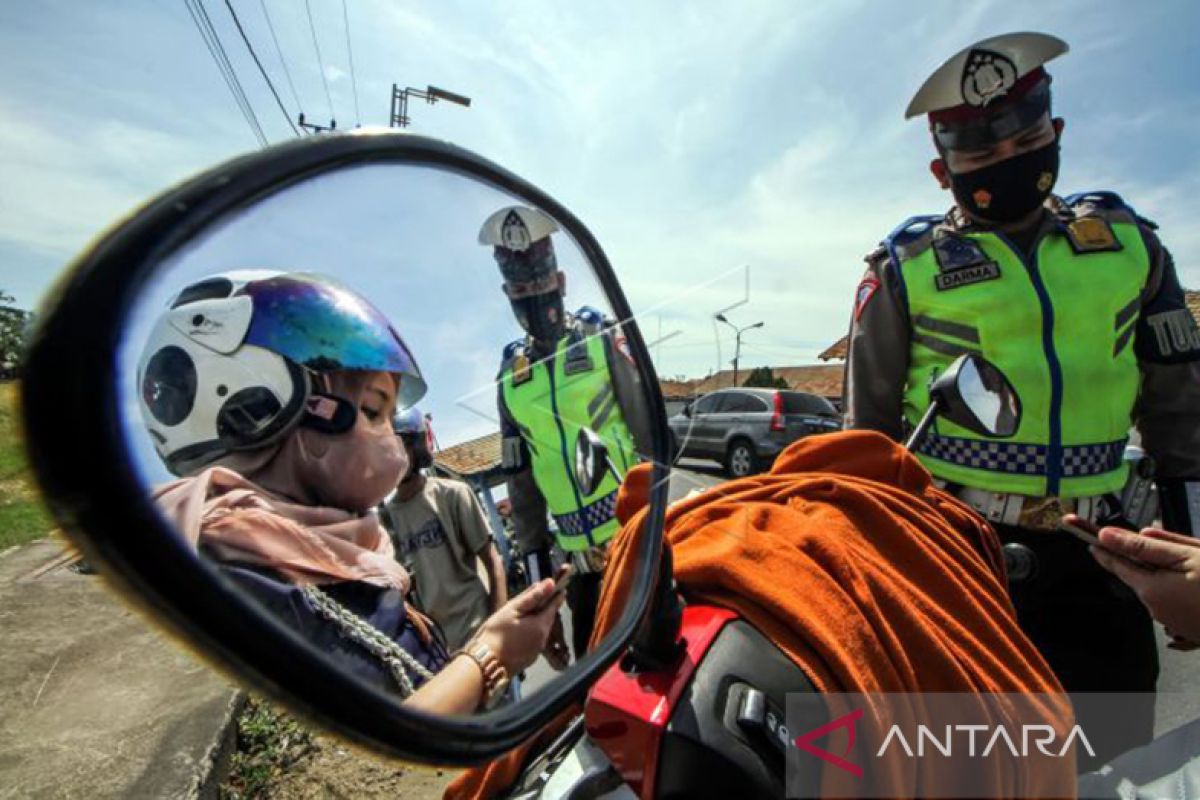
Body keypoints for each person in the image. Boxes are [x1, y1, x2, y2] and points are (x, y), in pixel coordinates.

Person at [842, 32, 1200, 760]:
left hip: (1100, 559)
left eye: (1028, 140)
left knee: (1113, 762)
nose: (1008, 163)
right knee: (968, 769)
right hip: (958, 562)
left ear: (1056, 134)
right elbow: (865, 441)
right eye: (979, 157)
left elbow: (1180, 420)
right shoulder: (907, 267)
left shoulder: (1133, 247)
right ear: (943, 171)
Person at [138, 270, 563, 714]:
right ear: (261, 403)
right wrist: (493, 653)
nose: (395, 447)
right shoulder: (251, 587)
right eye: (374, 410)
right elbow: (394, 742)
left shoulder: (334, 552)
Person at [480, 205, 654, 662]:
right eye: (520, 291)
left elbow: (650, 433)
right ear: (507, 294)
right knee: (595, 690)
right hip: (579, 571)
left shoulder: (601, 335)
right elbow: (521, 488)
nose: (534, 300)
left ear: (560, 283)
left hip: (637, 541)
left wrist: (662, 524)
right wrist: (542, 594)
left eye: (540, 286)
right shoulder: (509, 378)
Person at [382, 406, 508, 652]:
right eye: (386, 448)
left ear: (417, 447)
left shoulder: (452, 495)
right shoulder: (385, 521)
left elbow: (493, 563)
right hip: (436, 651)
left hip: (478, 631)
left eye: (401, 445)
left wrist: (499, 632)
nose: (393, 456)